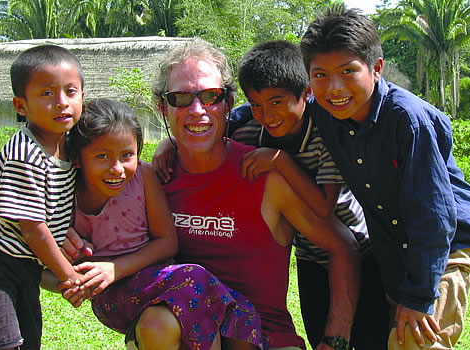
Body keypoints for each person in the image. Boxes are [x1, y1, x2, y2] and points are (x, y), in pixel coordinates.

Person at [299, 4, 470, 349]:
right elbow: (274, 108)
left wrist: (419, 297)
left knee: (416, 341)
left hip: (447, 245)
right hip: (394, 246)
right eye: (321, 75)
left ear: (376, 69)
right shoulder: (323, 113)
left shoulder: (408, 121)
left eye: (348, 71)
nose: (335, 87)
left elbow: (434, 216)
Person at [151, 38, 359, 350]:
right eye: (180, 98)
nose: (197, 110)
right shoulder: (152, 180)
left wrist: (335, 339)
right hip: (185, 333)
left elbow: (343, 245)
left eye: (211, 96)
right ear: (162, 108)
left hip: (265, 336)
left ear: (228, 104)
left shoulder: (261, 172)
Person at [54, 98, 266, 350]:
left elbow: (167, 243)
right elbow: (36, 262)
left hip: (158, 282)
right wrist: (77, 277)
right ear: (77, 159)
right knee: (198, 281)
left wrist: (115, 267)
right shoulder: (65, 193)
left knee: (233, 313)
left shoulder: (142, 176)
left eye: (126, 156)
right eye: (102, 156)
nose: (117, 169)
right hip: (111, 296)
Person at [232, 40, 389, 350]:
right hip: (310, 258)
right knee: (322, 339)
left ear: (305, 92)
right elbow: (217, 132)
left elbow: (322, 207)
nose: (267, 114)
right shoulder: (250, 134)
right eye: (256, 104)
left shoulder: (327, 134)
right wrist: (169, 146)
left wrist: (280, 161)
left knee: (371, 337)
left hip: (364, 252)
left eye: (277, 102)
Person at [0, 44, 85, 349]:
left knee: (27, 340)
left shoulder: (71, 147)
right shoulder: (25, 154)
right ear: (20, 106)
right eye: (46, 94)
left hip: (27, 266)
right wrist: (69, 276)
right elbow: (32, 227)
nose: (61, 103)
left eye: (70, 91)